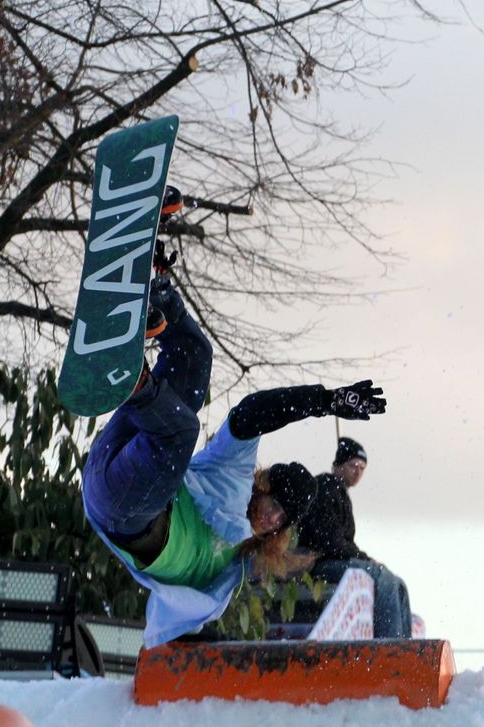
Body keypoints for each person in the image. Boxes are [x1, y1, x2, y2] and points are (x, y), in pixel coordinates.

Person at [81, 235, 387, 648]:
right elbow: (253, 411)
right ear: (263, 487)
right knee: (196, 359)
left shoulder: (238, 565)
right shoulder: (233, 472)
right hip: (128, 464)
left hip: (118, 506)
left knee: (178, 430)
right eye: (275, 505)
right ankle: (156, 290)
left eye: (281, 522)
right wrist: (324, 400)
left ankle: (134, 379)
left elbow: (327, 545)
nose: (272, 520)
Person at [297, 437, 412, 638]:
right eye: (353, 465)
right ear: (339, 465)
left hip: (334, 559)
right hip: (319, 562)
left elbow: (343, 544)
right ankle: (391, 645)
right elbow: (331, 542)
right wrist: (363, 558)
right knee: (382, 577)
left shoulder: (340, 493)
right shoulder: (325, 488)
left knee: (397, 583)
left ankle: (406, 645)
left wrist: (361, 556)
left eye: (362, 468)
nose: (358, 472)